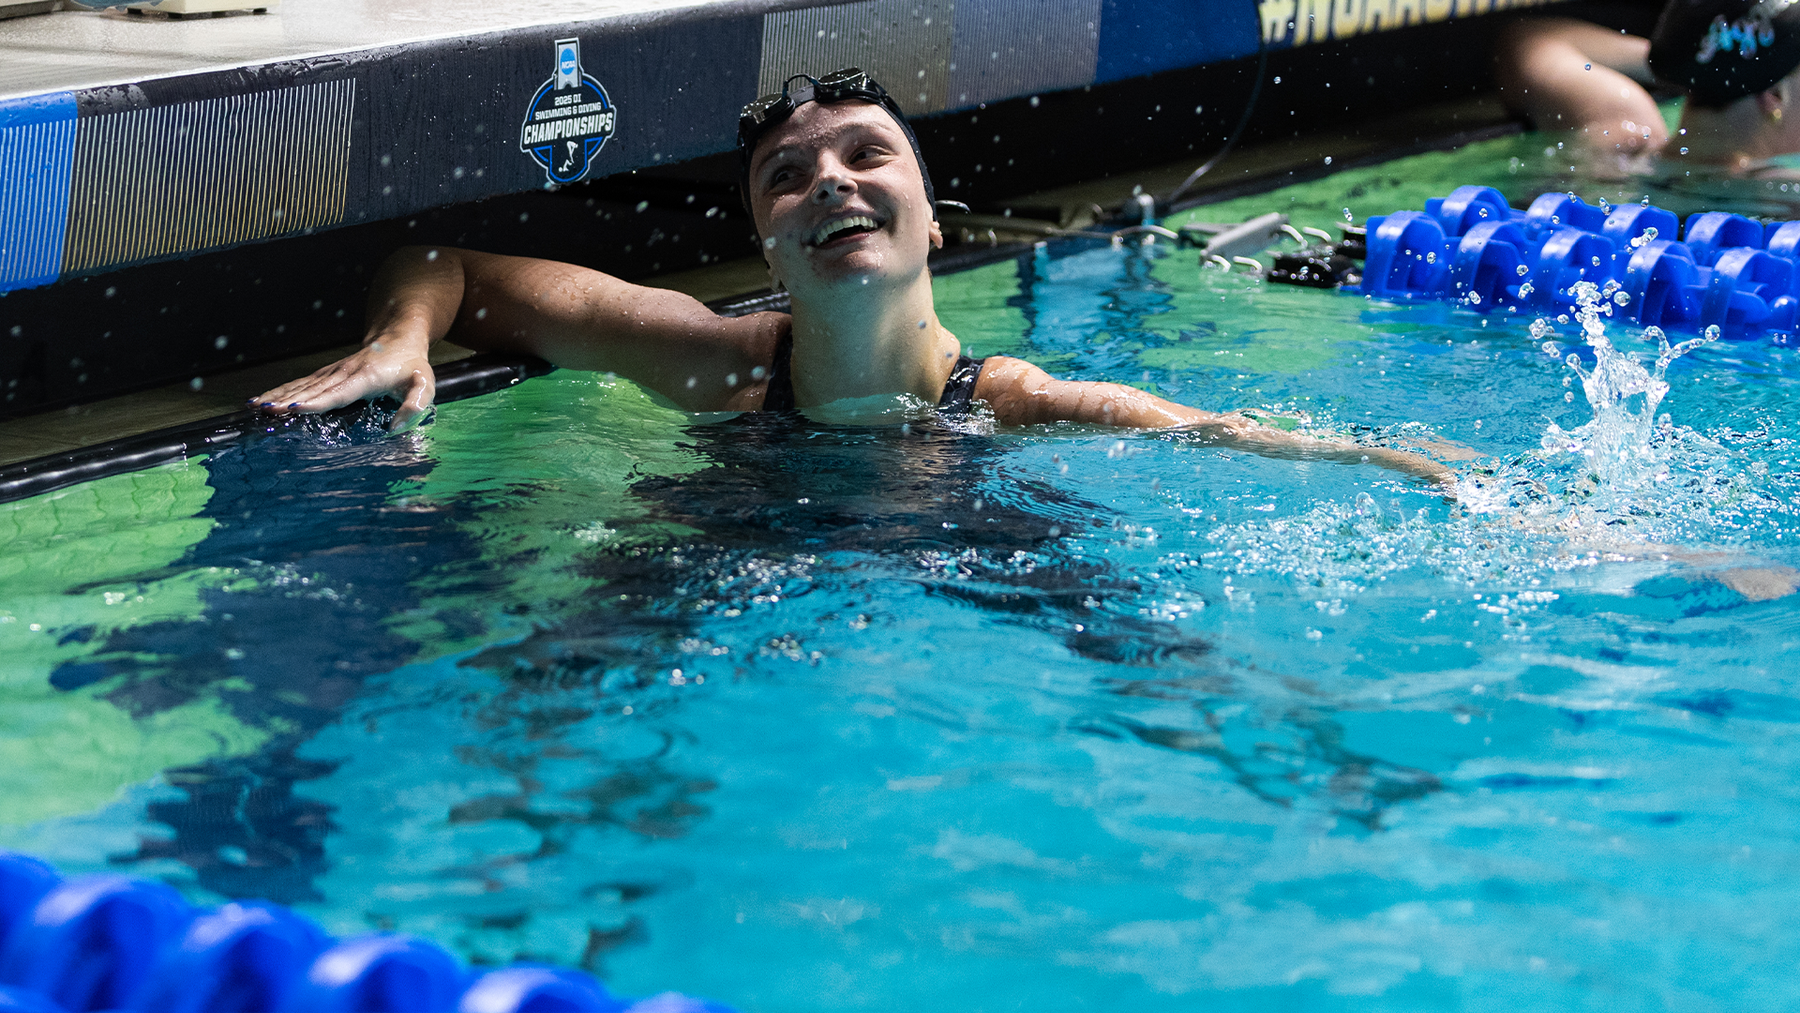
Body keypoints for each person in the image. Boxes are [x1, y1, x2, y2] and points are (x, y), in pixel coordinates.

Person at [253, 69, 1451, 484]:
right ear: (769, 249)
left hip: (964, 535)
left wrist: (1432, 472)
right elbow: (443, 263)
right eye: (790, 178)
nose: (830, 184)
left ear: (935, 226)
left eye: (867, 158)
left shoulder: (1010, 402)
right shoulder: (713, 359)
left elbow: (1222, 430)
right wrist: (404, 339)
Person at [1495, 0, 1800, 170]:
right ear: (1774, 96)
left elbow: (1530, 39)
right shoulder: (1785, 200)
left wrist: (1684, 64)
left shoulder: (1619, 140)